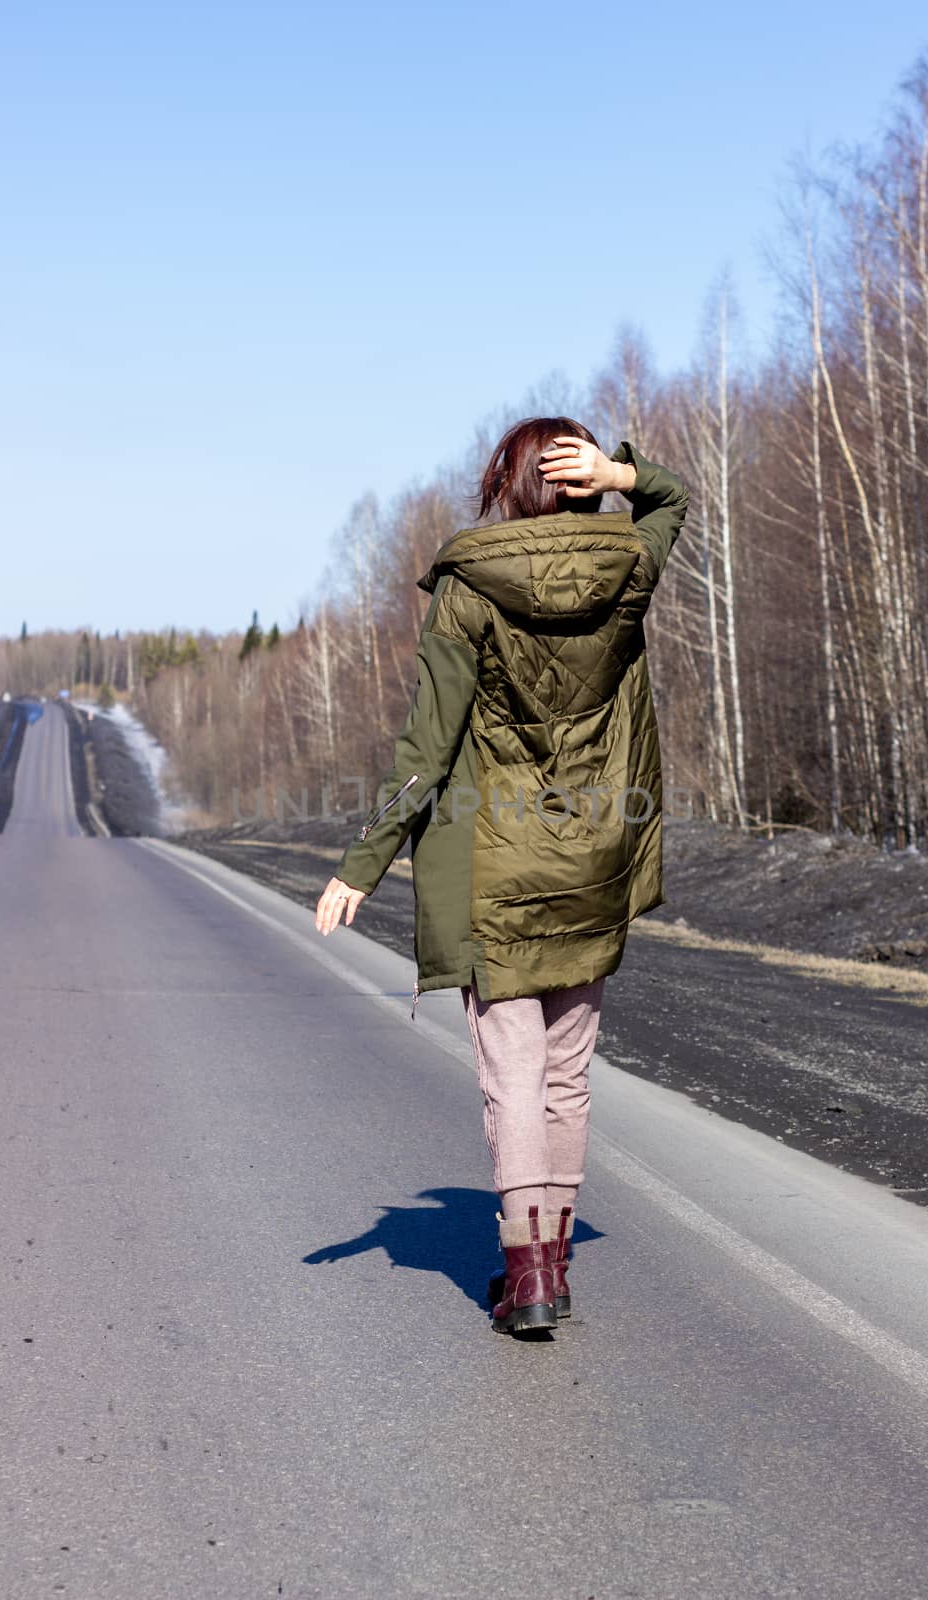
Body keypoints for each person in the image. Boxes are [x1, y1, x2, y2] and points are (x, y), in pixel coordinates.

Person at [315, 418, 689, 1335]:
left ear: (505, 482)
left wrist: (362, 863)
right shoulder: (629, 564)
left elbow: (426, 745)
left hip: (496, 864)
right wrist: (621, 472)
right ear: (581, 481)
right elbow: (670, 498)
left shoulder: (467, 585)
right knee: (566, 1075)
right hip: (594, 854)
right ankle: (549, 1267)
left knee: (513, 1077)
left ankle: (525, 1279)